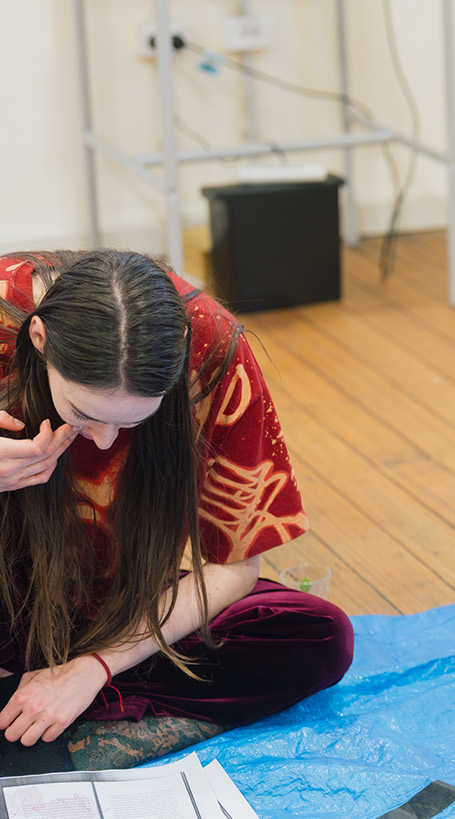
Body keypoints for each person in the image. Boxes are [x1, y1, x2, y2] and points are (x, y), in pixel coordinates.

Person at [0, 249, 354, 773]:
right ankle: (69, 708)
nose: (104, 441)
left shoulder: (212, 349)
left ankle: (48, 698)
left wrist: (94, 667)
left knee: (319, 638)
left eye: (133, 421)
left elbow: (234, 567)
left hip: (123, 605)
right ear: (39, 338)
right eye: (84, 413)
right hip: (14, 593)